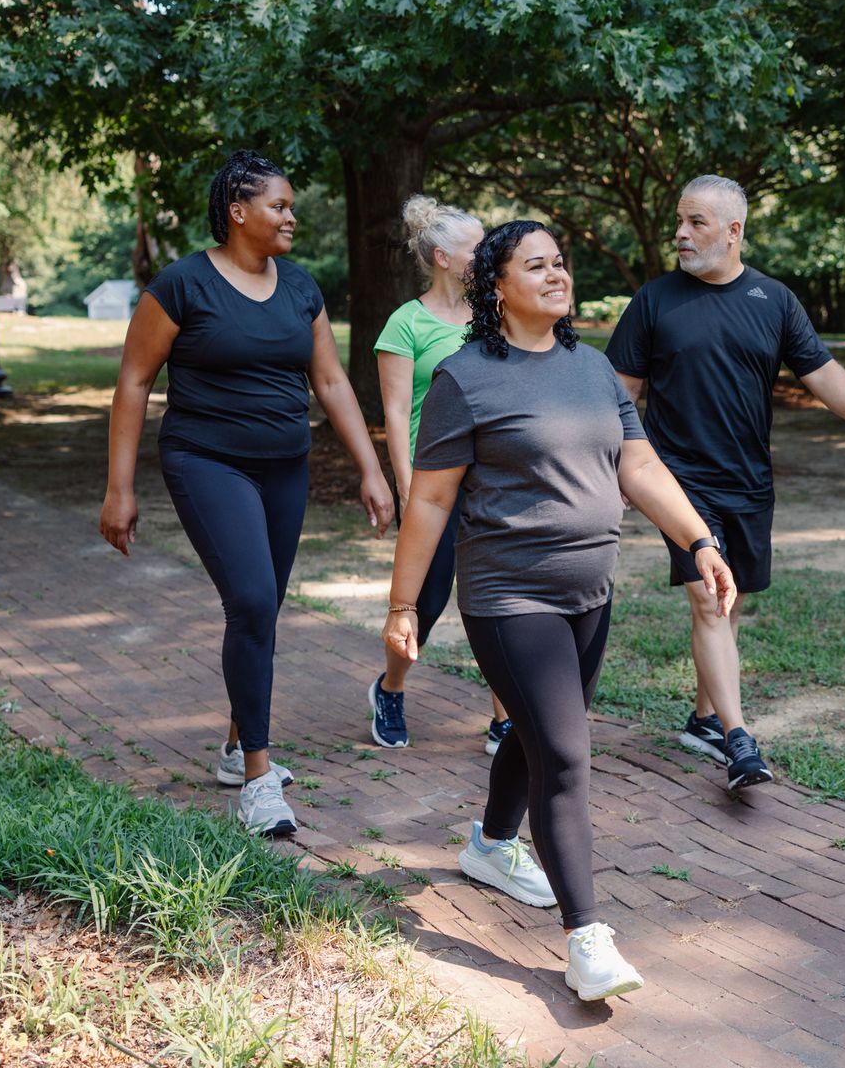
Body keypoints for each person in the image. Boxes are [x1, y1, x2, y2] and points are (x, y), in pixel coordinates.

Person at [382, 220, 735, 1003]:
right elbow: (430, 499)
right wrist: (404, 603)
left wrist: (699, 540)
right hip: (508, 596)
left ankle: (490, 843)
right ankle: (586, 939)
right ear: (497, 287)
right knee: (567, 755)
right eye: (536, 265)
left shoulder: (593, 368)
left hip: (588, 594)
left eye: (560, 262)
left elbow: (638, 464)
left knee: (541, 732)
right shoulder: (466, 377)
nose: (556, 274)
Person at [99, 150, 394, 838]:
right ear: (238, 211)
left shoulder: (300, 287)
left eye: (291, 207)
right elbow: (134, 381)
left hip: (285, 465)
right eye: (279, 206)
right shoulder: (182, 284)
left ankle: (236, 745)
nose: (291, 217)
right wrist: (119, 487)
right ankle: (257, 779)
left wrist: (372, 468)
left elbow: (330, 381)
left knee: (264, 606)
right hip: (206, 461)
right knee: (254, 601)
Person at [606, 175, 845, 791]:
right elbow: (619, 394)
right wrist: (619, 469)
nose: (681, 234)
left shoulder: (774, 299)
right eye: (679, 221)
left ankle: (705, 719)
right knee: (709, 598)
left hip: (749, 479)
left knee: (729, 603)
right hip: (679, 481)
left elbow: (819, 368)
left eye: (696, 223)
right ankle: (740, 742)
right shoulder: (654, 301)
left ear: (733, 231)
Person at [370, 195, 510, 752]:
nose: (488, 255)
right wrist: (407, 487)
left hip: (492, 475)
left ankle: (504, 718)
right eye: (477, 248)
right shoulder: (406, 323)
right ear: (443, 257)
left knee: (497, 595)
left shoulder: (495, 313)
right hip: (433, 479)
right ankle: (391, 687)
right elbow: (396, 413)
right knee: (424, 602)